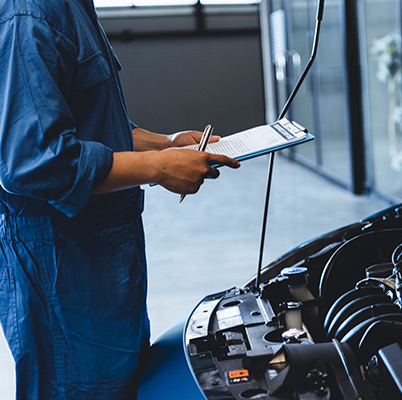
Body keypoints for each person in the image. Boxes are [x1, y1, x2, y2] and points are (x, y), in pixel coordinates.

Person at [0, 0, 240, 398]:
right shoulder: (29, 14)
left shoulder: (72, 6)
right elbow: (34, 162)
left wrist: (165, 144)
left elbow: (94, 124)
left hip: (100, 262)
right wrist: (159, 168)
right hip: (60, 267)